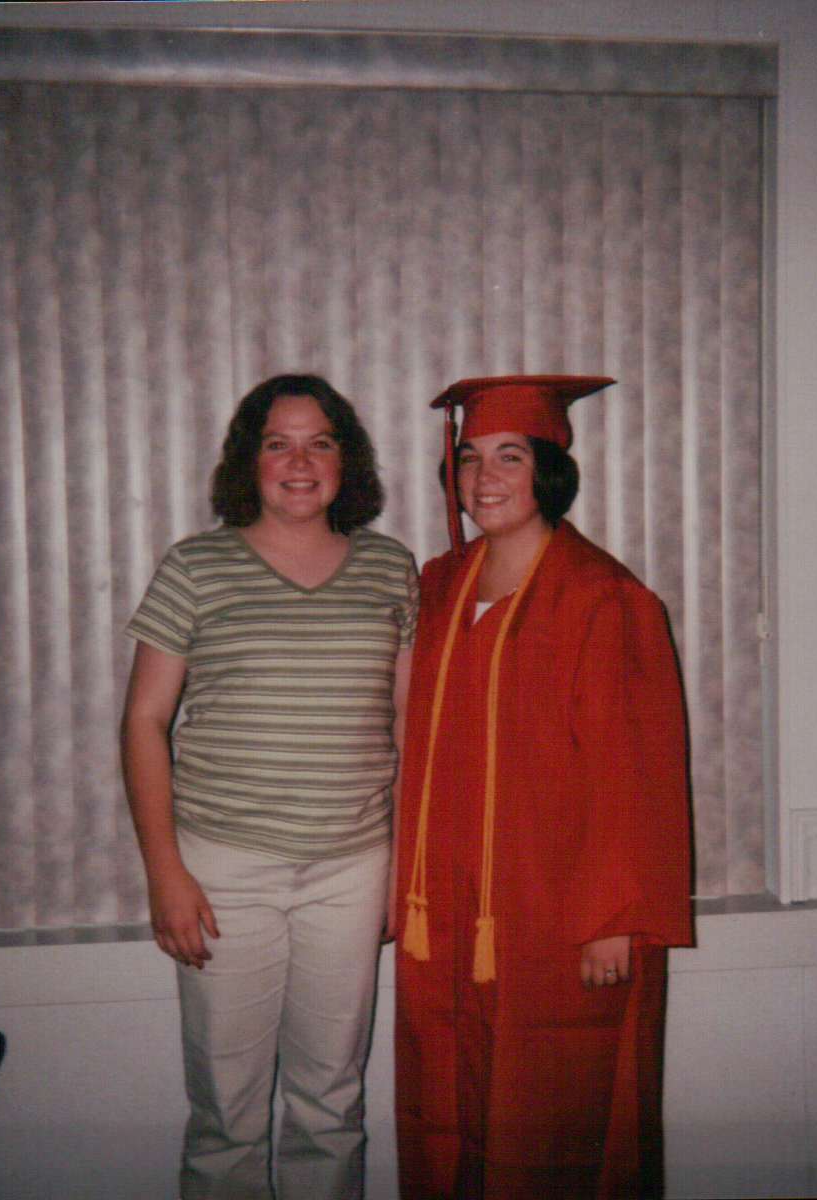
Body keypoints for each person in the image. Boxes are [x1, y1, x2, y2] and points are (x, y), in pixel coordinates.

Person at [393, 375, 695, 1199]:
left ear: (550, 470)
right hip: (447, 909)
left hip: (559, 916)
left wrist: (617, 917)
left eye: (510, 457)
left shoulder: (605, 598)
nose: (484, 478)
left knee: (555, 1118)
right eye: (469, 458)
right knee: (448, 1106)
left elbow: (638, 770)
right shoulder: (439, 585)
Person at [121, 374, 417, 1200]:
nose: (300, 461)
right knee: (228, 1112)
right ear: (248, 461)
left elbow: (410, 726)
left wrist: (405, 862)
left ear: (346, 461)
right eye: (278, 443)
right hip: (223, 869)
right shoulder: (196, 566)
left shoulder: (391, 569)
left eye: (320, 442)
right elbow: (144, 721)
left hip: (353, 866)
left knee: (332, 1102)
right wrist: (165, 872)